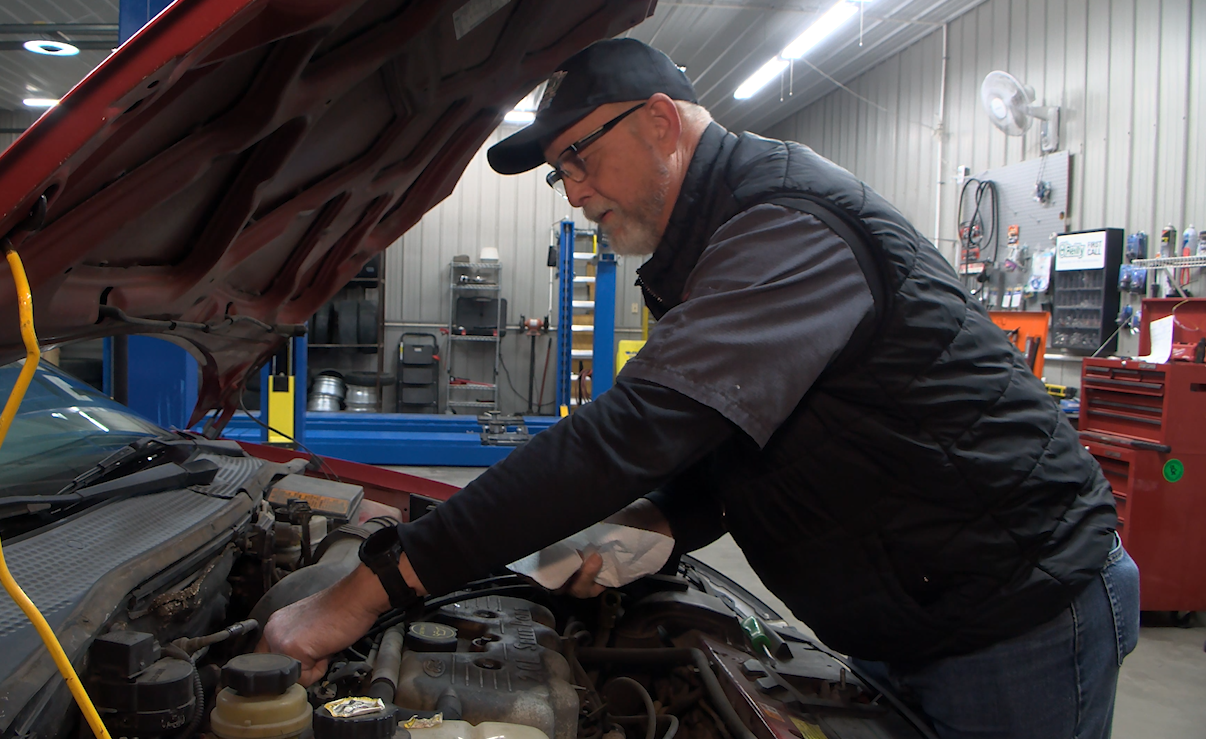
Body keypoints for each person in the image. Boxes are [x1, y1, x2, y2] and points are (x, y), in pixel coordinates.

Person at [260, 38, 1139, 739]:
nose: (572, 193)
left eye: (577, 157)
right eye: (556, 173)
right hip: (914, 610)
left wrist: (364, 593)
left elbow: (629, 432)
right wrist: (661, 523)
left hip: (1012, 613)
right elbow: (738, 439)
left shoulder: (784, 225)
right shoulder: (705, 246)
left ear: (658, 123)